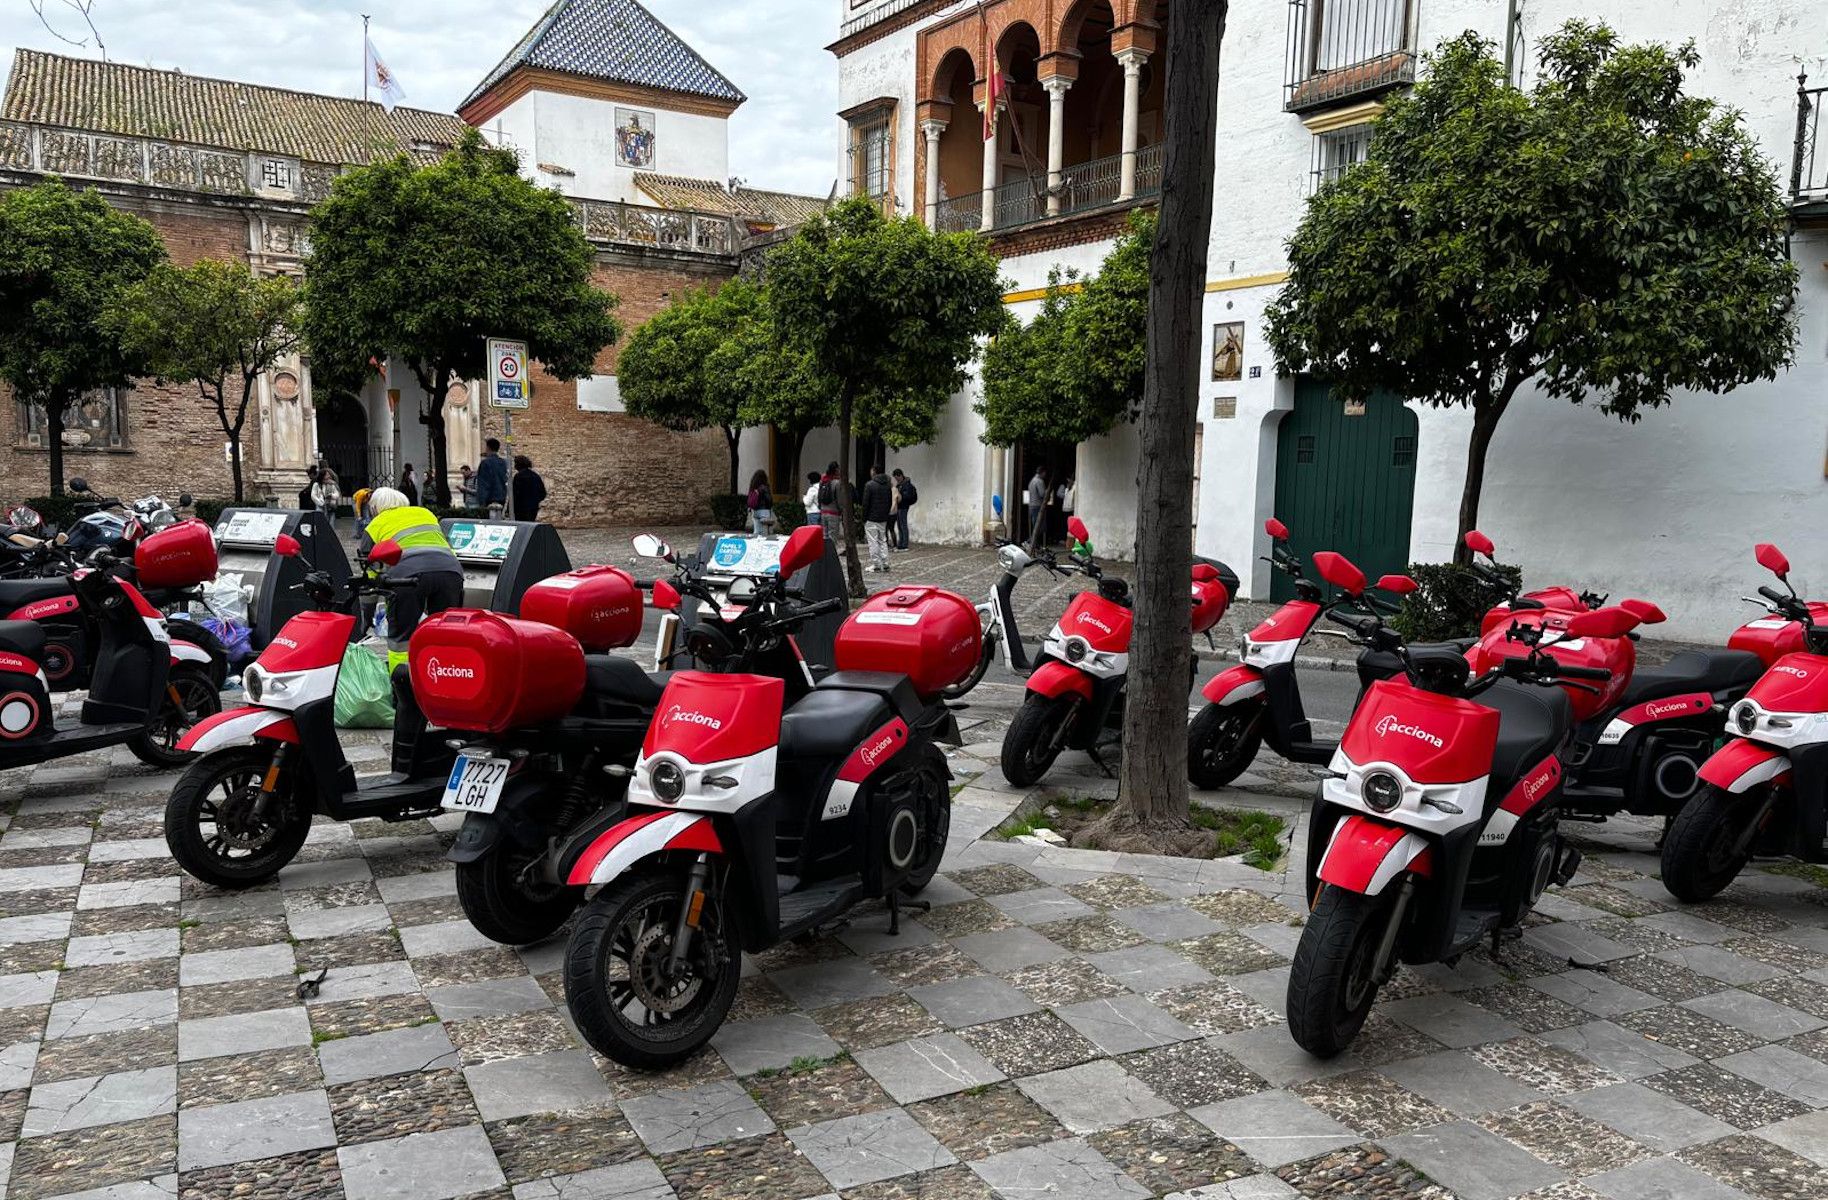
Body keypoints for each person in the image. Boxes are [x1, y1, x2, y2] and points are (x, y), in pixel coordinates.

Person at [359, 487, 464, 673]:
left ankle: (401, 685)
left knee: (401, 639)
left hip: (406, 576)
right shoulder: (425, 513)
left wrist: (366, 618)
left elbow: (369, 576)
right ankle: (443, 677)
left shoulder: (375, 525)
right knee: (445, 633)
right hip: (450, 571)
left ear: (374, 507)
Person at [861, 463, 894, 573]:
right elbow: (889, 501)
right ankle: (885, 563)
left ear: (874, 471)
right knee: (882, 540)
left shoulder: (870, 485)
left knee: (873, 541)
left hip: (871, 517)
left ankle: (876, 564)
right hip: (883, 517)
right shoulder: (887, 485)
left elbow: (865, 503)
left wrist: (863, 518)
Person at [475, 438, 508, 516]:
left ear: (488, 448)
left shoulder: (485, 463)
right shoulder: (503, 463)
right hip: (501, 498)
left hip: (489, 499)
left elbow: (483, 483)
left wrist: (482, 501)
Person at [817, 461, 845, 547]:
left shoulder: (822, 481)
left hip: (823, 512)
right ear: (836, 470)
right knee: (832, 536)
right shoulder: (837, 483)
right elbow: (839, 500)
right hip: (833, 513)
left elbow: (819, 496)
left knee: (824, 536)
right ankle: (831, 553)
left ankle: (825, 553)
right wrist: (841, 510)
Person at [511, 455, 547, 521]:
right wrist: (535, 501)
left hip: (520, 509)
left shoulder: (518, 476)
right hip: (533, 508)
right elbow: (543, 493)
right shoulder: (535, 476)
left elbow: (514, 493)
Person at [1025, 466, 1051, 551]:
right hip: (1038, 505)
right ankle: (1030, 542)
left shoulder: (1032, 481)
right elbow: (1042, 494)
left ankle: (1034, 543)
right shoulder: (1039, 481)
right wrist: (1048, 492)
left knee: (1035, 525)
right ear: (1042, 472)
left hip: (1032, 505)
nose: (1045, 475)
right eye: (1045, 473)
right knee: (1039, 526)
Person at [891, 469, 917, 551]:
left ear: (900, 476)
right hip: (899, 507)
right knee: (899, 525)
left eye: (897, 478)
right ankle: (901, 543)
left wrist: (900, 496)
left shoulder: (907, 485)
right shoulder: (899, 485)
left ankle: (904, 544)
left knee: (903, 525)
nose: (896, 480)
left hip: (904, 507)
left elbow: (907, 496)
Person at [313, 463, 341, 532]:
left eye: (329, 475)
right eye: (327, 475)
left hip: (330, 505)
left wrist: (331, 495)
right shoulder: (317, 484)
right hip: (321, 505)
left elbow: (337, 493)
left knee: (331, 523)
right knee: (321, 522)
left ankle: (329, 535)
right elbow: (313, 496)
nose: (329, 476)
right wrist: (321, 503)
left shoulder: (332, 483)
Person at [746, 469, 775, 536]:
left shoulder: (753, 486)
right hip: (764, 511)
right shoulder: (764, 487)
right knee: (764, 532)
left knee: (756, 532)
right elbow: (769, 500)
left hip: (755, 511)